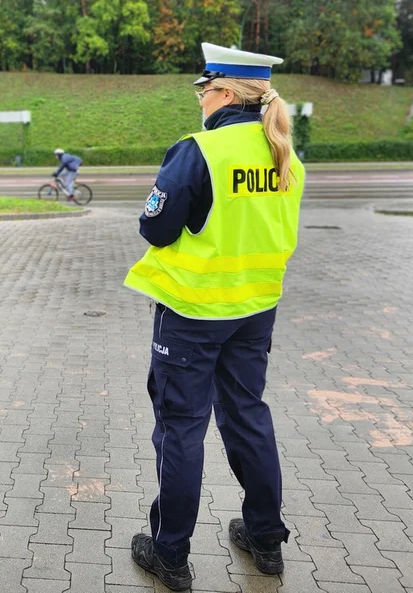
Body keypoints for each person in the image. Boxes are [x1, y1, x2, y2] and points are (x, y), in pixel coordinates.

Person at [123, 42, 306, 589]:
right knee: (248, 415)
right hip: (255, 310)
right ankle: (266, 539)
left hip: (193, 312)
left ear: (224, 92)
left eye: (204, 89)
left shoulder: (199, 150)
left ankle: (170, 553)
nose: (200, 99)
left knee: (181, 429)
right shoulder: (284, 154)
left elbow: (155, 228)